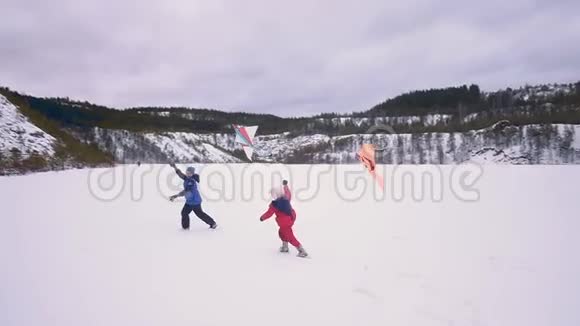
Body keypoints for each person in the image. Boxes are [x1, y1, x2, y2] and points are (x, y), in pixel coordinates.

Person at [260, 180, 308, 258]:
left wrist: (262, 217)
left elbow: (269, 213)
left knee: (290, 236)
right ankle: (285, 247)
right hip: (290, 218)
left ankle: (301, 250)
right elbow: (288, 193)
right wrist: (285, 186)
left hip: (284, 223)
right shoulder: (286, 197)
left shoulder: (274, 206)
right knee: (281, 233)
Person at [169, 163, 218, 230]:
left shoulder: (191, 181)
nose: (187, 174)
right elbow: (180, 174)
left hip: (195, 202)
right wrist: (175, 167)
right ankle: (185, 228)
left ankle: (213, 223)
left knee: (200, 214)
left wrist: (176, 196)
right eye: (187, 172)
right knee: (184, 213)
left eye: (189, 173)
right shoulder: (187, 178)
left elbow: (186, 192)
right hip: (189, 201)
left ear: (192, 174)